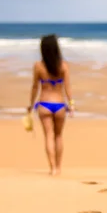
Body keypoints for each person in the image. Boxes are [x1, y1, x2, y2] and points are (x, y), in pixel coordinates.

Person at [27, 34, 74, 176]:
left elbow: (35, 87)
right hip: (59, 104)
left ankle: (52, 168)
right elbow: (67, 88)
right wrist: (71, 104)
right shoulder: (63, 65)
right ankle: (59, 167)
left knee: (48, 136)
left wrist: (31, 104)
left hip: (44, 104)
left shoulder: (38, 66)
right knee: (58, 136)